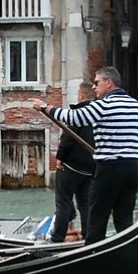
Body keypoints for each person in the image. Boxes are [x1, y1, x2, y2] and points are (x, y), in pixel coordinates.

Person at [32, 66, 138, 244]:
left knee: (97, 217)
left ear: (109, 83)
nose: (94, 87)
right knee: (124, 218)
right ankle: (127, 250)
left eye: (97, 82)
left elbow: (73, 118)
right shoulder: (134, 104)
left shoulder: (104, 105)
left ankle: (92, 252)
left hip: (110, 168)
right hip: (133, 169)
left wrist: (45, 107)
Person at [50, 80, 97, 243]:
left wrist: (59, 158)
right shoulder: (99, 114)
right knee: (85, 203)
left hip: (71, 166)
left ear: (81, 96)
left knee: (63, 202)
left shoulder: (78, 114)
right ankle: (87, 234)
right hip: (91, 168)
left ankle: (57, 238)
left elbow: (68, 138)